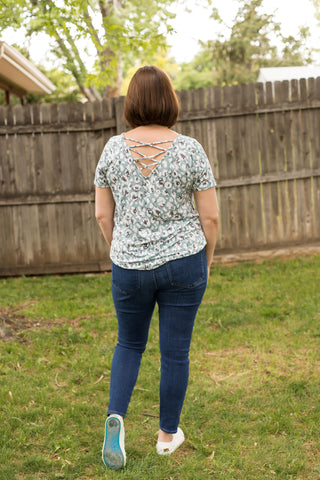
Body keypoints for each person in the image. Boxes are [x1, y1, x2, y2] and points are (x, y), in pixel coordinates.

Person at [94, 65, 219, 470]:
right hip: (184, 262)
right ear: (170, 100)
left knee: (129, 343)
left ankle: (117, 417)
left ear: (131, 101)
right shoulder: (190, 149)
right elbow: (211, 218)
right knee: (175, 352)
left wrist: (122, 252)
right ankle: (167, 436)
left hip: (128, 266)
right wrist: (207, 258)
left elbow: (101, 215)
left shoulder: (112, 149)